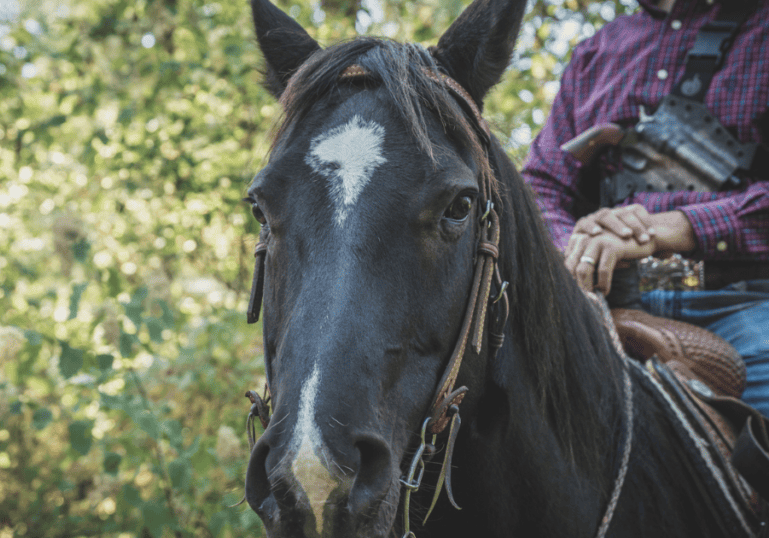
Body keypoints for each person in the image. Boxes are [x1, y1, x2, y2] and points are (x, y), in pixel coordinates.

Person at [521, 0, 769, 416]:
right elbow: (541, 186)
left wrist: (665, 228)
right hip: (603, 306)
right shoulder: (595, 53)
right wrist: (580, 245)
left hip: (742, 304)